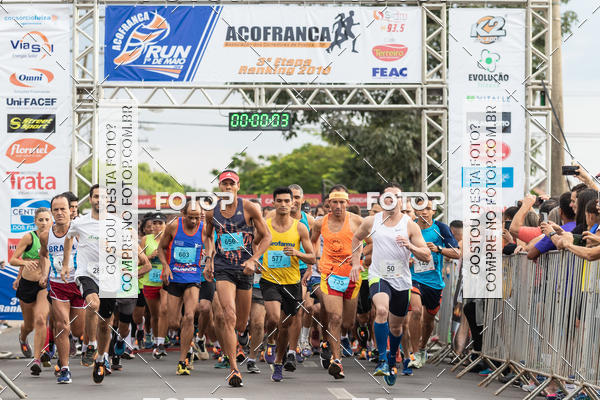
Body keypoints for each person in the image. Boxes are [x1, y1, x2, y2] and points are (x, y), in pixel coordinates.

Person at [351, 183, 431, 386]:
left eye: (397, 196)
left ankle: (392, 359)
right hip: (379, 276)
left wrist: (410, 246)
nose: (392, 200)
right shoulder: (372, 221)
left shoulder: (409, 225)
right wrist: (355, 263)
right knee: (381, 311)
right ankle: (382, 360)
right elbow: (356, 238)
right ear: (382, 200)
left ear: (401, 200)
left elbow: (426, 255)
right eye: (388, 196)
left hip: (401, 280)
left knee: (396, 327)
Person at [203, 170, 271, 387]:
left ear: (238, 187)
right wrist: (209, 259)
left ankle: (240, 340)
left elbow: (267, 236)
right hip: (223, 268)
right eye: (224, 184)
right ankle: (234, 369)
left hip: (245, 269)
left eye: (231, 184)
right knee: (228, 316)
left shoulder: (250, 208)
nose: (228, 187)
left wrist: (253, 259)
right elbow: (207, 235)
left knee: (241, 324)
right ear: (219, 187)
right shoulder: (212, 212)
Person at [310, 184, 366, 379]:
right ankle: (336, 360)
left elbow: (371, 243)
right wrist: (316, 259)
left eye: (342, 202)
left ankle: (337, 341)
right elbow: (312, 241)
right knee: (335, 317)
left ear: (347, 203)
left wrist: (359, 261)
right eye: (335, 202)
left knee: (348, 323)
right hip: (329, 274)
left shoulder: (357, 221)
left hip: (352, 276)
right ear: (329, 203)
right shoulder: (320, 223)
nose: (338, 206)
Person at [259, 187, 315, 382]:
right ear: (273, 203)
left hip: (292, 282)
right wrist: (256, 260)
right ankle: (270, 341)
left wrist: (297, 253)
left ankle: (278, 362)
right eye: (279, 201)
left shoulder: (300, 228)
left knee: (285, 325)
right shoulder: (265, 225)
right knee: (274, 318)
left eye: (286, 201)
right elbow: (254, 244)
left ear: (292, 203)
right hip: (270, 280)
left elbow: (312, 257)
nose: (283, 204)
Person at [38, 194, 85, 383]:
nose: (59, 213)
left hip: (79, 284)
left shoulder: (80, 232)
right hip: (57, 285)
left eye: (63, 209)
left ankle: (84, 343)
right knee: (62, 325)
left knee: (78, 330)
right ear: (51, 212)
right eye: (55, 210)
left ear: (70, 211)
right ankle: (65, 368)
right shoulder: (45, 235)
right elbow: (43, 254)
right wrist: (44, 273)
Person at [408, 197, 459, 369]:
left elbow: (457, 253)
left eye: (428, 208)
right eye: (421, 208)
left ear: (434, 211)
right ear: (415, 210)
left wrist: (438, 249)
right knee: (416, 311)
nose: (424, 211)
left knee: (428, 320)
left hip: (434, 281)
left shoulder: (441, 228)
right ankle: (414, 353)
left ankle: (422, 347)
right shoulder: (409, 226)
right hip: (413, 277)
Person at [158, 200, 205, 375]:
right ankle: (189, 344)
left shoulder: (204, 228)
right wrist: (165, 266)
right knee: (173, 323)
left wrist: (209, 261)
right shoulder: (173, 226)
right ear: (183, 214)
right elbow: (161, 248)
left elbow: (212, 248)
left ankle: (182, 361)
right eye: (191, 217)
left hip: (193, 277)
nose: (194, 221)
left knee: (189, 316)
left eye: (197, 217)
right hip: (175, 277)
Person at [10, 207, 51, 376]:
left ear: (51, 221)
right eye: (40, 220)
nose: (44, 223)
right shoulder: (29, 237)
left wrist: (45, 275)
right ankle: (22, 337)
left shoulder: (54, 237)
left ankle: (37, 359)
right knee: (28, 325)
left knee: (41, 319)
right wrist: (24, 264)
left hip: (43, 285)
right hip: (27, 285)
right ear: (35, 221)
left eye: (47, 219)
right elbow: (13, 259)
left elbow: (48, 259)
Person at [139, 213, 169, 359]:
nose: (157, 226)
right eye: (155, 223)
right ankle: (157, 343)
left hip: (165, 281)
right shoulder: (146, 239)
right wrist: (150, 257)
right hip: (150, 280)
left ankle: (161, 342)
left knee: (164, 310)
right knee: (155, 315)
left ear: (165, 225)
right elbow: (139, 260)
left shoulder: (169, 238)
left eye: (160, 223)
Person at [528, 192, 576, 259]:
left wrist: (550, 234)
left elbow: (530, 254)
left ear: (560, 211)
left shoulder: (553, 232)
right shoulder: (584, 228)